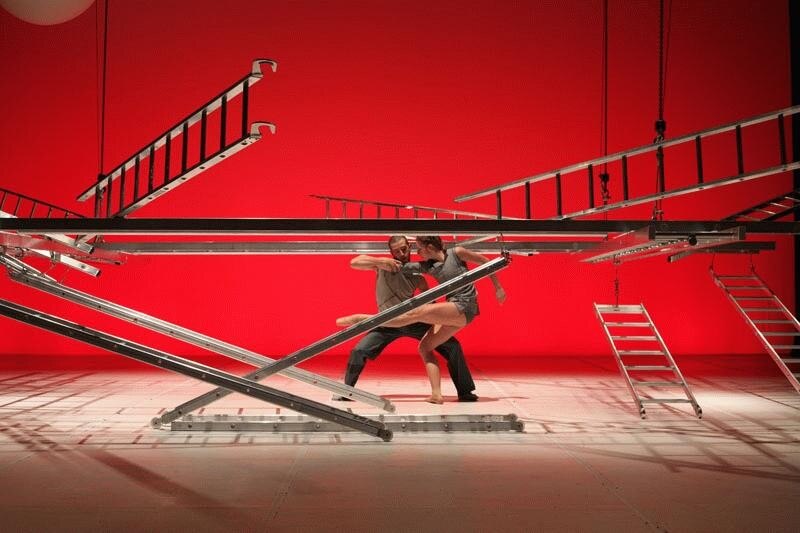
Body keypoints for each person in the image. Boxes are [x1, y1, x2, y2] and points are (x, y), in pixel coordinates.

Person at [337, 236, 506, 404]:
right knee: (359, 351)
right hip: (386, 322)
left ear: (410, 247)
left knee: (452, 346)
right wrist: (380, 261)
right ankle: (347, 391)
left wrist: (437, 321)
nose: (401, 254)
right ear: (391, 252)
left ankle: (465, 392)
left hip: (413, 322)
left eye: (404, 249)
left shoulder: (419, 275)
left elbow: (430, 302)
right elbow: (354, 262)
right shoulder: (384, 266)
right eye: (396, 251)